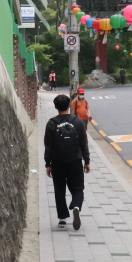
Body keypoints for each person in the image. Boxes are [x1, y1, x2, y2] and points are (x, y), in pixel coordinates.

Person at [45, 94, 90, 230]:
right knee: (78, 188)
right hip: (75, 161)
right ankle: (76, 206)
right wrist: (87, 161)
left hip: (57, 162)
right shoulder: (78, 122)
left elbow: (48, 146)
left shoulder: (52, 123)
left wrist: (48, 164)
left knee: (59, 189)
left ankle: (62, 218)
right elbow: (83, 143)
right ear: (69, 105)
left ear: (55, 107)